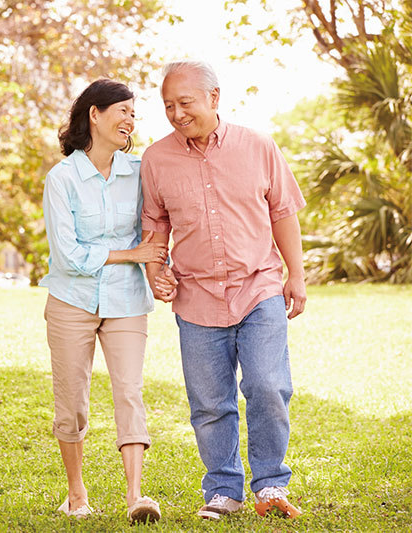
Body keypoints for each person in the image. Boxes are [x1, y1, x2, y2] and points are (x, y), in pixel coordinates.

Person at [140, 60, 307, 520]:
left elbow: (283, 212)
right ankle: (223, 490)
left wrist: (297, 274)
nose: (176, 113)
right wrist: (158, 269)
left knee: (268, 386)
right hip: (196, 298)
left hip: (259, 288)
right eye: (168, 105)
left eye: (185, 103)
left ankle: (271, 486)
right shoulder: (155, 159)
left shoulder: (258, 146)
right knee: (210, 403)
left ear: (214, 98)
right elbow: (156, 224)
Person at [40, 78, 173, 523]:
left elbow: (155, 229)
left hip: (127, 300)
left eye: (134, 113)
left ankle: (137, 497)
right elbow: (69, 254)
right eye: (123, 111)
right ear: (94, 115)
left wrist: (155, 267)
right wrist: (131, 254)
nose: (130, 120)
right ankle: (77, 495)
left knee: (129, 393)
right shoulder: (61, 179)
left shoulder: (139, 172)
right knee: (72, 401)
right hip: (71, 301)